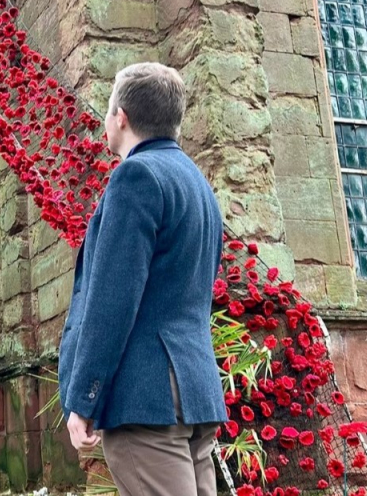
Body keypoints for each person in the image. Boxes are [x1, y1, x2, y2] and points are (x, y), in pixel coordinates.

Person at [58, 62, 227, 496]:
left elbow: (112, 301)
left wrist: (84, 398)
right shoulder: (198, 185)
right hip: (194, 391)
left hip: (146, 399)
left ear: (122, 117)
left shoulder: (136, 176)